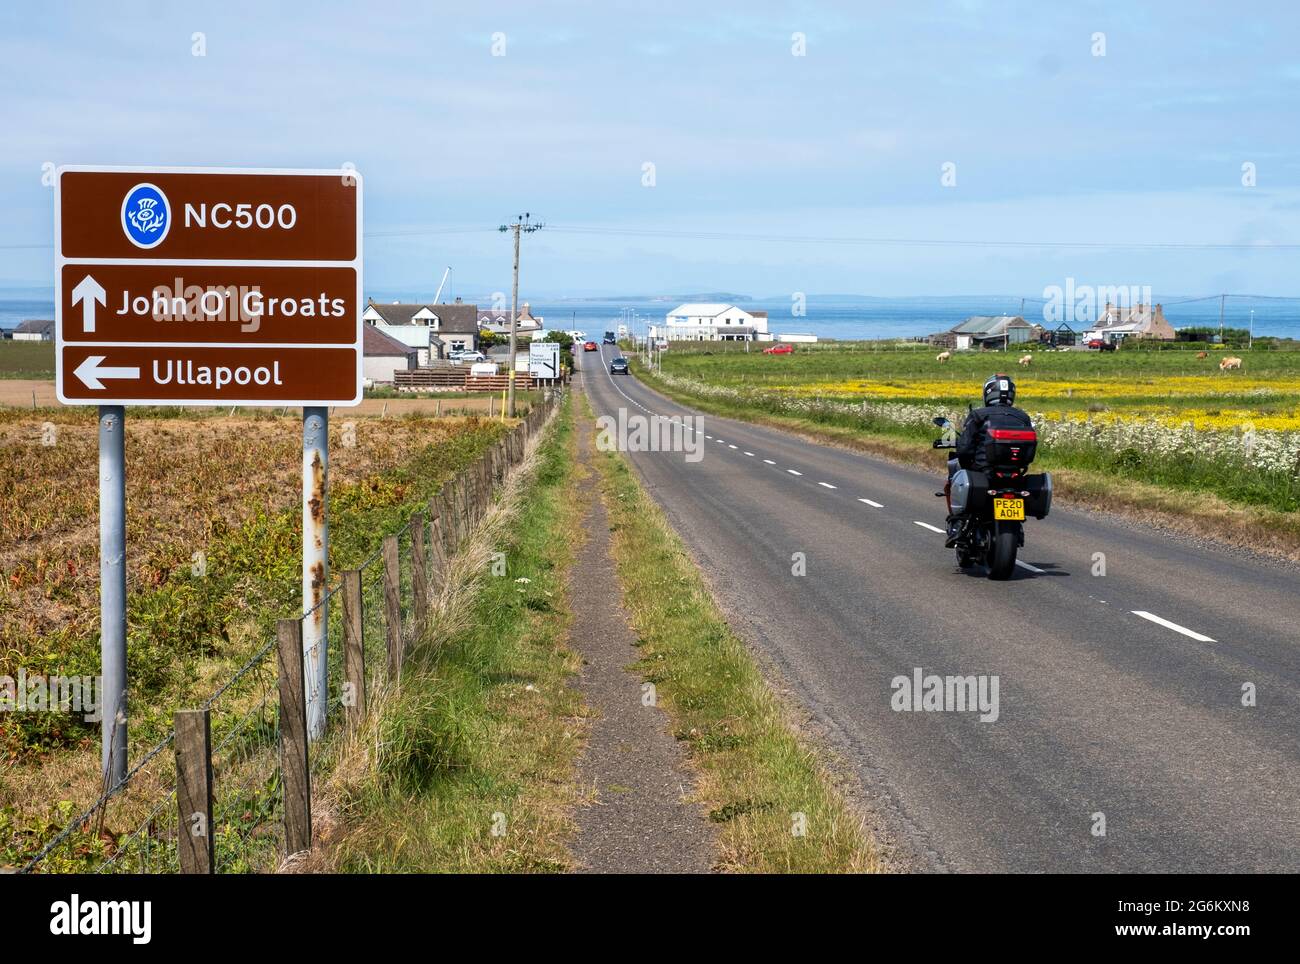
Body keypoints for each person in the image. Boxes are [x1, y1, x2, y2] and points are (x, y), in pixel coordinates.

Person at [944, 373, 1034, 546]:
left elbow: (964, 449)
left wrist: (967, 463)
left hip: (983, 471)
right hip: (1015, 473)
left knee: (954, 473)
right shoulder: (1022, 417)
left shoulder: (978, 415)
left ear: (987, 393)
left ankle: (958, 523)